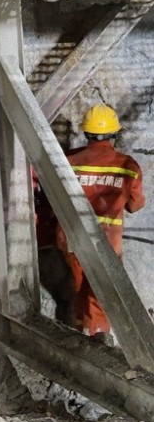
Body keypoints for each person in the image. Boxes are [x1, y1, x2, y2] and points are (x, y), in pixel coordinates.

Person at [56, 104, 145, 337]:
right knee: (101, 294)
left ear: (86, 133)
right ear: (114, 133)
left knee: (80, 288)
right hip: (106, 242)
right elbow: (135, 205)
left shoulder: (68, 161)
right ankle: (97, 339)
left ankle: (81, 333)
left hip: (70, 239)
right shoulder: (128, 166)